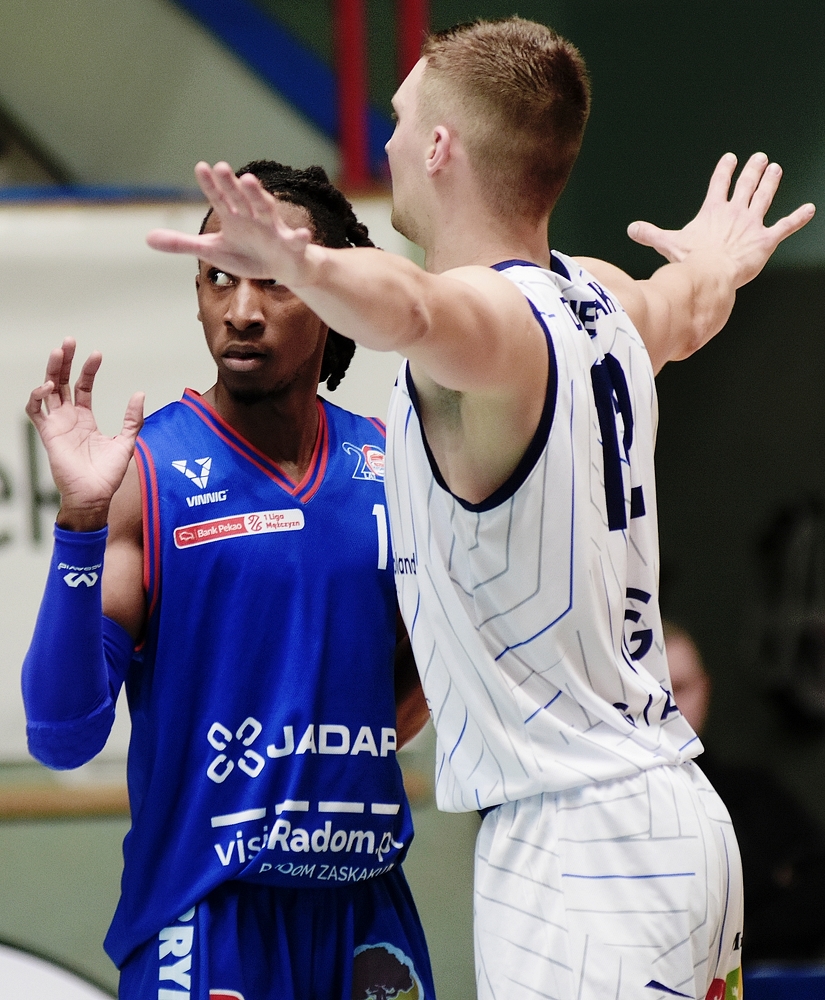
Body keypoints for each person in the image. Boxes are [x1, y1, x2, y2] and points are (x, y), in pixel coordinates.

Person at [145, 17, 816, 1000]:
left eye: (397, 118)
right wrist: (716, 262)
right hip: (676, 823)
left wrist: (307, 265)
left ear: (439, 147)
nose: (383, 142)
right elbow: (690, 305)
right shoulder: (603, 297)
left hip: (579, 851)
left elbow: (415, 308)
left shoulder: (491, 322)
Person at [22, 161, 435, 1000]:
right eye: (218, 277)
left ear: (329, 293)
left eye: (272, 279)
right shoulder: (147, 474)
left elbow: (420, 678)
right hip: (206, 920)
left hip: (366, 916)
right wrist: (79, 525)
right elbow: (62, 736)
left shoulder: (393, 466)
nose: (241, 311)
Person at [666, 621, 825, 963]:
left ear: (704, 688)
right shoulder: (600, 802)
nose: (670, 707)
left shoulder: (755, 794)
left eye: (679, 688)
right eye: (656, 691)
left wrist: (739, 934)